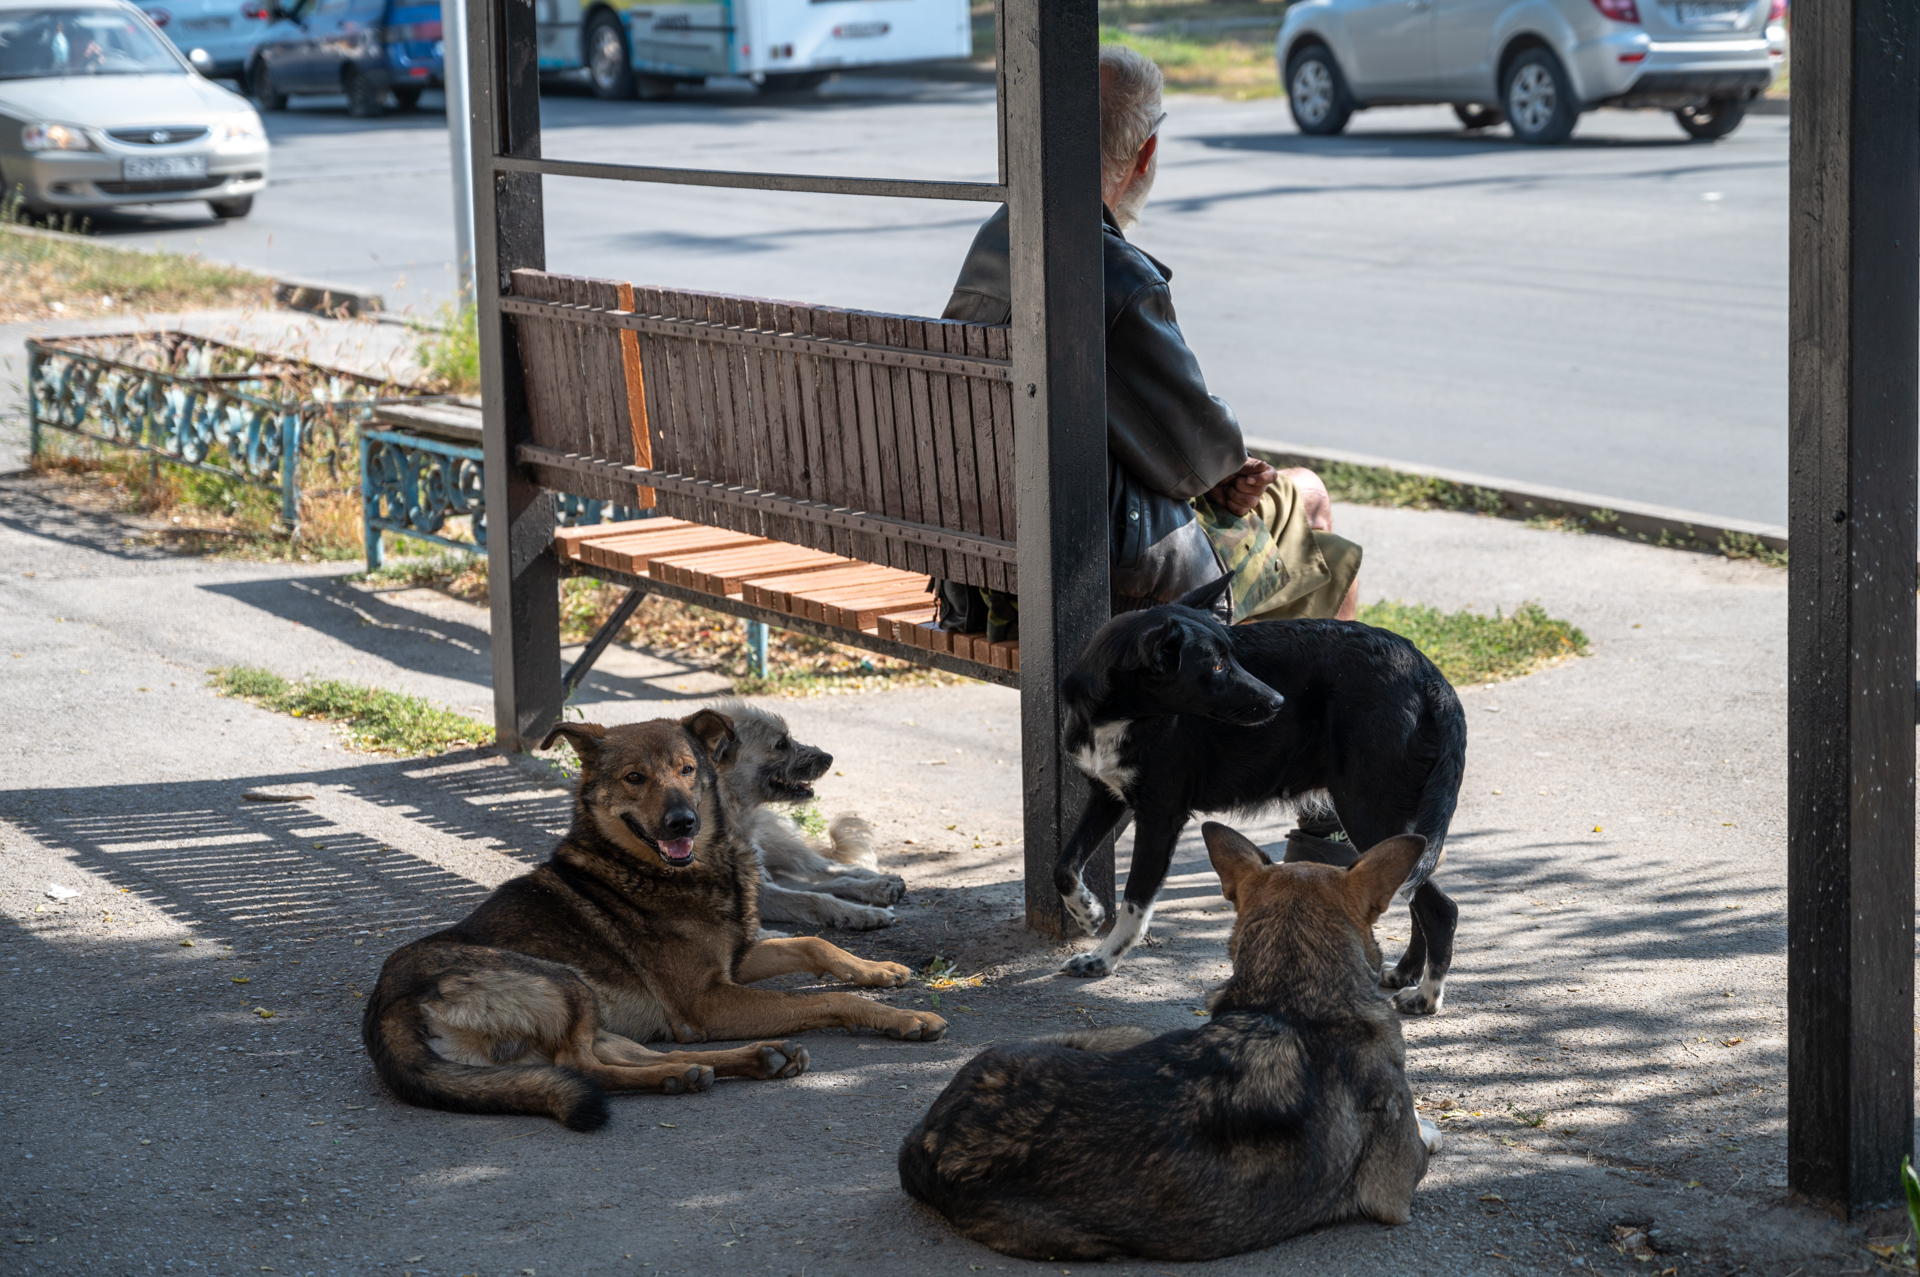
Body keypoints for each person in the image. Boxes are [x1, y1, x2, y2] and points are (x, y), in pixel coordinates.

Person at [937, 44, 1360, 634]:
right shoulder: (1113, 273)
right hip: (1099, 574)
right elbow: (1205, 455)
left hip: (985, 572)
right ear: (1146, 154)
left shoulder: (996, 239)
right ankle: (1307, 711)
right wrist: (1228, 468)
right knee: (1308, 498)